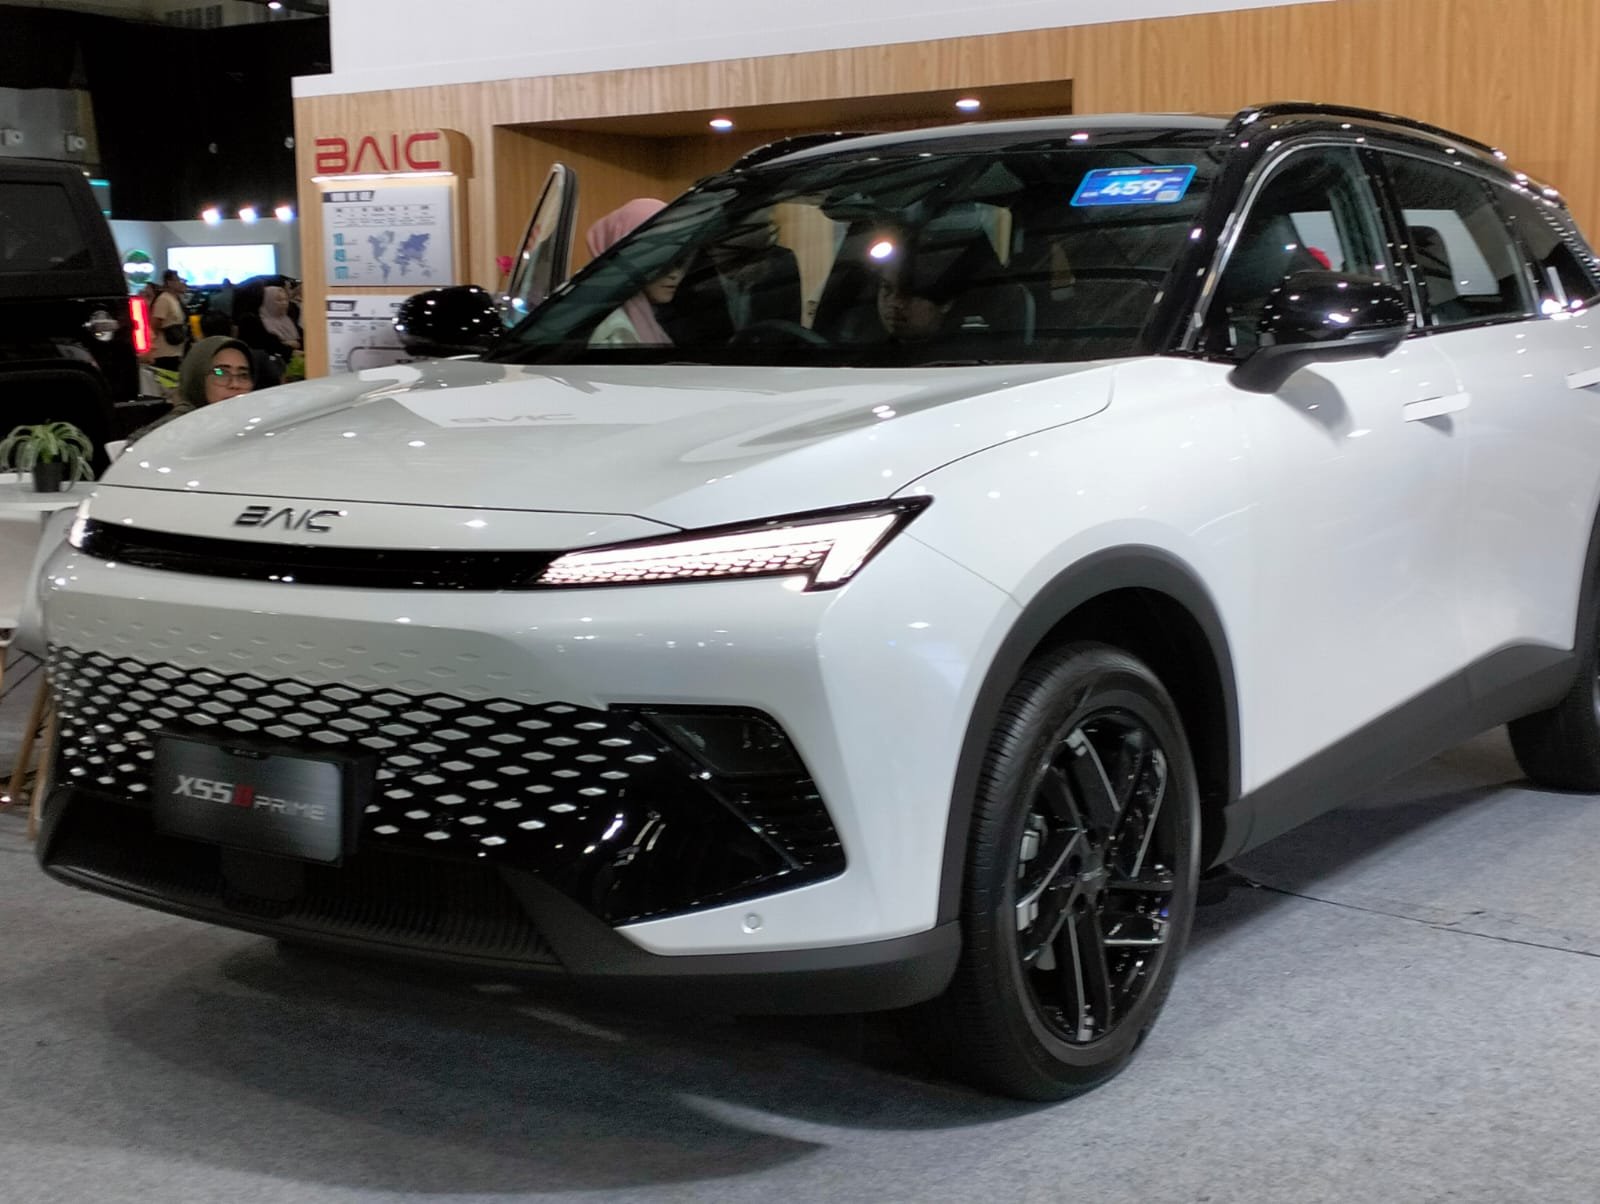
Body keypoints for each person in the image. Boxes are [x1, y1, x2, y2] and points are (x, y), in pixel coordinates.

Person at [583, 199, 684, 346]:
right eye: (660, 259)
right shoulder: (616, 334)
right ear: (623, 257)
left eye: (679, 260)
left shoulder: (648, 316)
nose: (674, 273)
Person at [126, 335, 254, 443]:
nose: (235, 384)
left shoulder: (255, 427)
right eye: (221, 373)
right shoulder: (166, 435)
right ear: (197, 377)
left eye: (243, 375)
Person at [237, 283, 302, 362]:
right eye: (279, 300)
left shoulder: (288, 320)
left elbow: (303, 337)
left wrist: (294, 343)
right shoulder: (254, 321)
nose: (284, 303)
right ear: (267, 301)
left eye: (285, 299)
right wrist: (289, 347)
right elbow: (268, 345)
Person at [150, 269, 189, 369]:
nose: (181, 283)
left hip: (176, 351)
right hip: (164, 353)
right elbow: (154, 324)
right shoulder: (164, 299)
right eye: (178, 280)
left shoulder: (175, 299)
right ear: (170, 283)